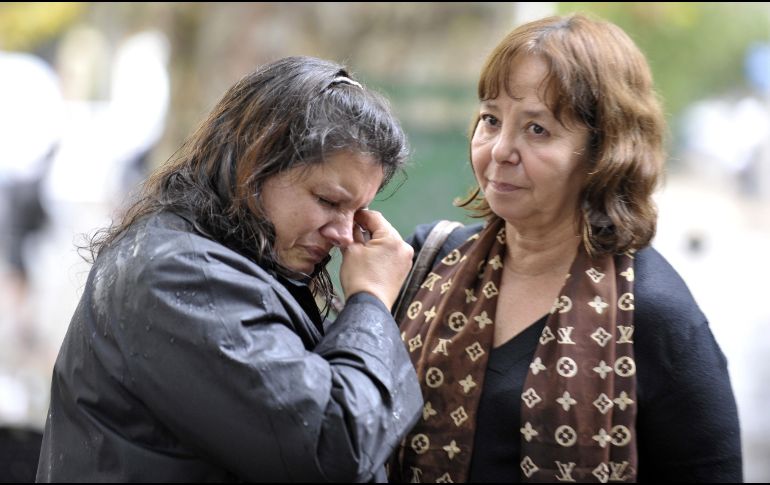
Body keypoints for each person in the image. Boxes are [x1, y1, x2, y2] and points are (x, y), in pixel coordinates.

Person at [390, 14, 742, 483]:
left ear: (604, 152)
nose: (499, 150)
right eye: (491, 120)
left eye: (538, 130)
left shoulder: (657, 317)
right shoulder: (430, 264)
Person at [36, 56, 422, 482]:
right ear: (255, 163)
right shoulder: (180, 274)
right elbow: (336, 444)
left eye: (358, 211)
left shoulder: (220, 260)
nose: (345, 234)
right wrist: (370, 301)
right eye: (328, 201)